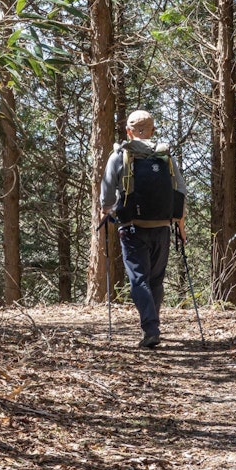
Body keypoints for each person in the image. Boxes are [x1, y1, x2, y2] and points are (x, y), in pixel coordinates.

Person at [100, 110, 187, 348]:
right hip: (162, 225)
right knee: (156, 279)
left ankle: (151, 329)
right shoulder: (165, 156)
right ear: (153, 130)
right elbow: (180, 190)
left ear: (129, 131)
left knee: (139, 280)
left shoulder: (120, 155)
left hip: (132, 228)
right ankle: (153, 325)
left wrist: (106, 211)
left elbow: (107, 195)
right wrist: (180, 224)